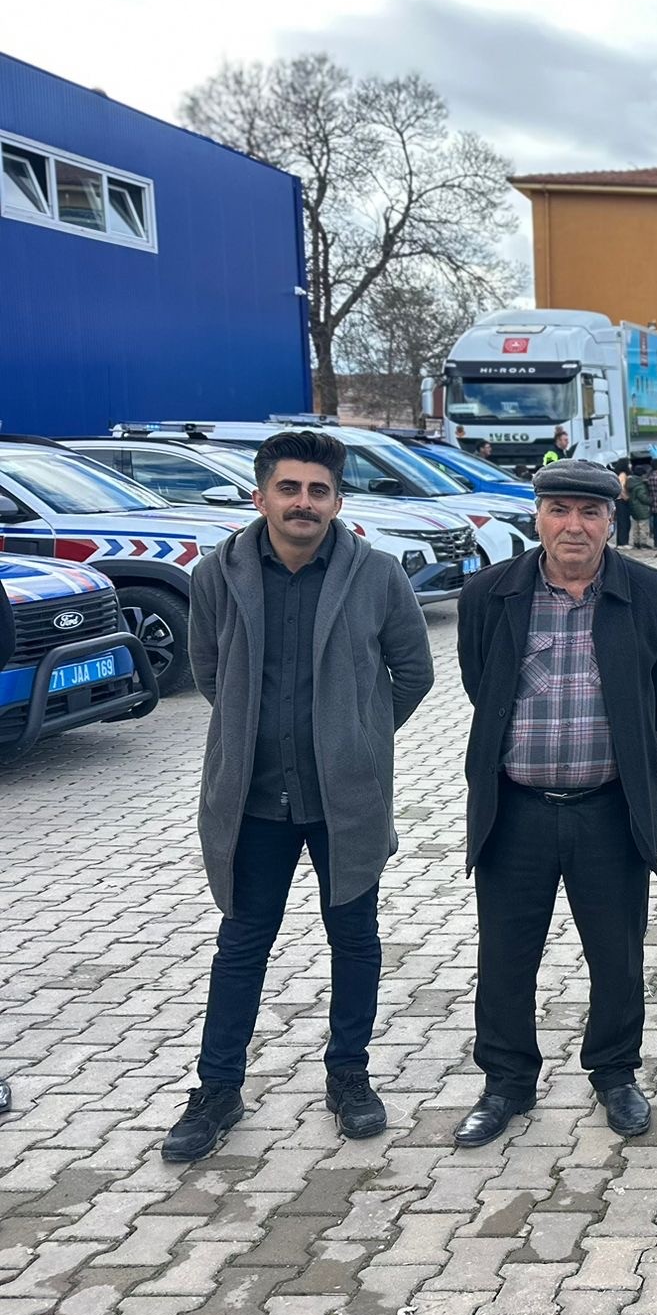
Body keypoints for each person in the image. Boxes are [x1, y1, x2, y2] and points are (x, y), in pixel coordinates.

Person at [162, 429, 434, 1163]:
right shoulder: (217, 575)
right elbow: (208, 669)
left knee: (355, 941)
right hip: (252, 800)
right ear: (261, 497)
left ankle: (349, 1077)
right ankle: (217, 1088)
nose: (303, 503)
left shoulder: (377, 575)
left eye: (318, 491)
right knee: (242, 944)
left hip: (344, 800)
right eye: (289, 488)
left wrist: (357, 737)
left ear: (338, 502)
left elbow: (414, 671)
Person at [454, 459, 657, 1146]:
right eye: (559, 510)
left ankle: (615, 1073)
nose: (574, 526)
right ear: (538, 517)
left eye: (590, 512)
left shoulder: (654, 596)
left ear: (611, 520)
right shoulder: (490, 594)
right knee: (506, 953)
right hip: (515, 806)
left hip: (610, 807)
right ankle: (506, 1082)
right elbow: (481, 684)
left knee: (617, 954)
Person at [611, 460, 635, 549]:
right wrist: (626, 498)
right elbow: (620, 488)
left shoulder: (620, 474)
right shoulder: (623, 475)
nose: (630, 465)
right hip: (621, 501)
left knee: (624, 521)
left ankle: (622, 542)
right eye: (629, 463)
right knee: (623, 522)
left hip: (620, 500)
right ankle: (622, 542)